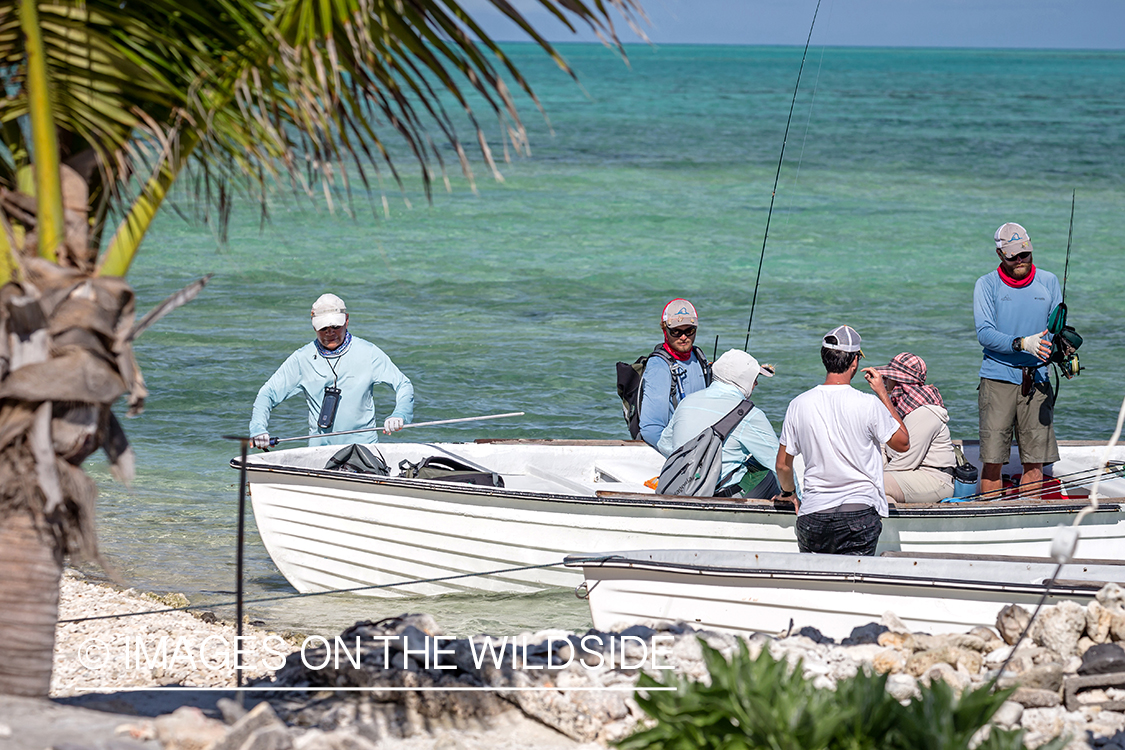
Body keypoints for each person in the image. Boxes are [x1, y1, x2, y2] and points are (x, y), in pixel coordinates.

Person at [774, 325, 909, 556]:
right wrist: (883, 394)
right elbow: (902, 443)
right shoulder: (868, 404)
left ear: (824, 358)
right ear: (854, 362)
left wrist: (789, 493)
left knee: (817, 584)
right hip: (859, 514)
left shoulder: (798, 404)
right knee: (855, 585)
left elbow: (783, 465)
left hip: (813, 514)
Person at [249, 294, 414, 448]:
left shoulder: (369, 353)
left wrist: (400, 414)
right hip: (320, 452)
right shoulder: (302, 358)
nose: (330, 332)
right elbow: (267, 394)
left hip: (364, 449)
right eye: (323, 328)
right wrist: (258, 429)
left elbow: (403, 384)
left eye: (336, 326)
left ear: (347, 320)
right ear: (313, 326)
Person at [973, 222, 1063, 496]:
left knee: (1034, 462)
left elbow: (1056, 330)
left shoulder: (1049, 281)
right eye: (1013, 256)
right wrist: (1022, 343)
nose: (1020, 260)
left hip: (1037, 381)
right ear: (1000, 255)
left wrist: (1064, 349)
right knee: (992, 460)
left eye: (1025, 253)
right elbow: (985, 334)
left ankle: (1027, 521)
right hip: (998, 378)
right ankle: (990, 518)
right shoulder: (986, 284)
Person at [656, 349, 783, 499]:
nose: (756, 383)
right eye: (754, 378)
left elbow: (664, 445)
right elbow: (780, 463)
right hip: (721, 495)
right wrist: (794, 495)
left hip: (680, 488)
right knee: (767, 472)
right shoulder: (750, 414)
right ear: (744, 380)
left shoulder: (686, 402)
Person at [875, 352, 956, 504]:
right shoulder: (900, 407)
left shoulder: (924, 412)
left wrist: (873, 477)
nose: (885, 380)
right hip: (908, 474)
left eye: (889, 376)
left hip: (934, 478)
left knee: (870, 484)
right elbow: (883, 449)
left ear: (901, 380)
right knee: (880, 495)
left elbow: (905, 460)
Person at [636, 298, 710, 448]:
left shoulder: (699, 356)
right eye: (676, 331)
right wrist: (682, 457)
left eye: (689, 330)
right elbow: (651, 429)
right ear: (665, 330)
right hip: (679, 453)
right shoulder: (658, 367)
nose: (683, 337)